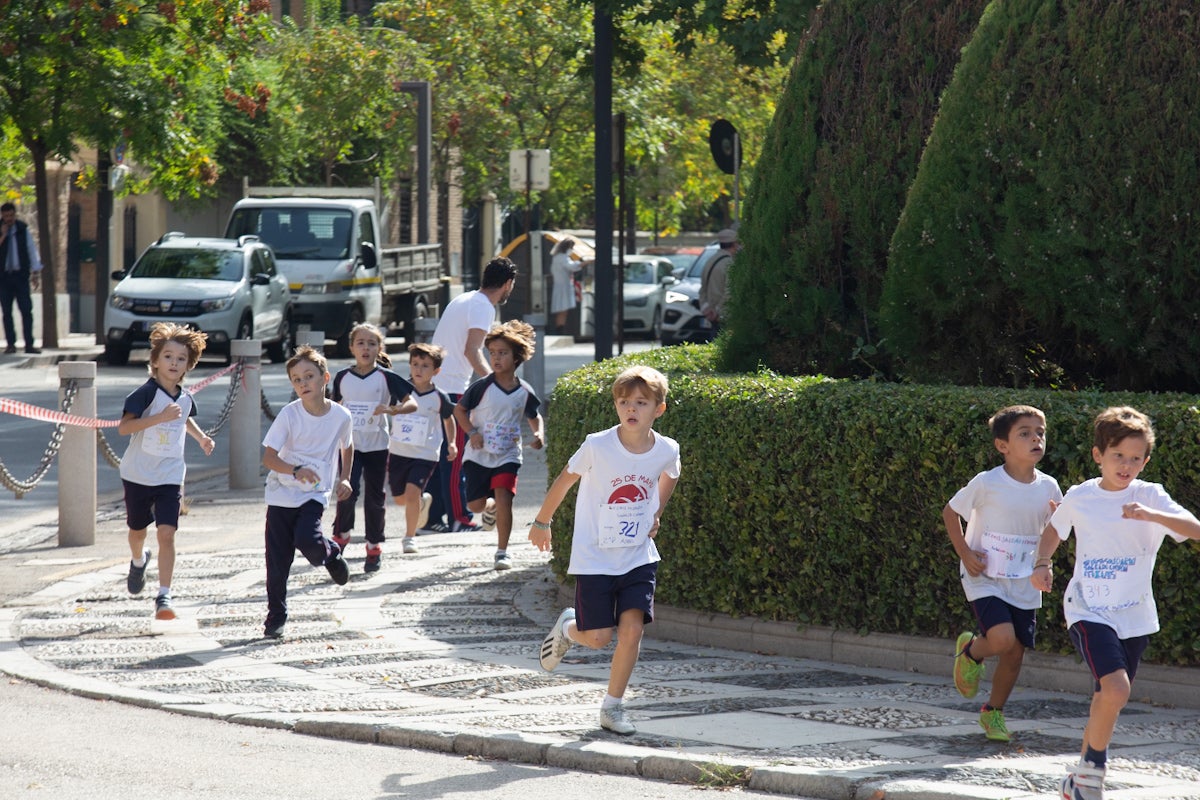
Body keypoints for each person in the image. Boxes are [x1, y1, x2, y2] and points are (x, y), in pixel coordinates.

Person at [1032, 406, 1200, 800]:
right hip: (1088, 608)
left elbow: (1196, 530)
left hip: (1135, 615)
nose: (1126, 465)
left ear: (1146, 460)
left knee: (1105, 697)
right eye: (1117, 456)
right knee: (1117, 690)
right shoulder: (1081, 496)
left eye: (1135, 458)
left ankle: (1078, 780)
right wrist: (1042, 563)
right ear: (1098, 455)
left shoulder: (1150, 495)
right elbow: (1054, 531)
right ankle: (1092, 776)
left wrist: (1152, 514)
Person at [530, 366, 681, 735]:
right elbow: (565, 480)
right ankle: (568, 628)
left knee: (631, 630)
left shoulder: (666, 448)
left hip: (638, 555)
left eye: (641, 403)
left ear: (658, 409)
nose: (631, 409)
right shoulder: (598, 445)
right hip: (596, 556)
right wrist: (541, 521)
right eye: (624, 402)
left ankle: (612, 708)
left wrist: (655, 513)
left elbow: (671, 475)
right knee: (598, 638)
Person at [944, 405, 1062, 743]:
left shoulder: (1050, 487)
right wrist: (965, 554)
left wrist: (1045, 563)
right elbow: (950, 513)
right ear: (1003, 446)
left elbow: (1054, 531)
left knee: (1014, 652)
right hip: (984, 575)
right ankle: (970, 652)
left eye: (1040, 432)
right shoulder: (987, 482)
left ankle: (993, 712)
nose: (1036, 438)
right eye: (1024, 433)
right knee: (1001, 639)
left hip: (1024, 579)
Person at [119, 322, 215, 620]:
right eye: (169, 356)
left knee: (167, 533)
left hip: (170, 475)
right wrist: (158, 417)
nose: (174, 363)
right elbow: (125, 428)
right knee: (137, 532)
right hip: (138, 474)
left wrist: (201, 438)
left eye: (181, 358)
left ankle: (164, 595)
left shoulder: (185, 398)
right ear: (156, 360)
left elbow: (183, 418)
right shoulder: (144, 394)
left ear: (189, 364)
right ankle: (138, 560)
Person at [260, 345, 355, 639]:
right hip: (281, 493)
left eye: (309, 376)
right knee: (278, 561)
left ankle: (330, 554)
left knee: (309, 543)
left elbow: (347, 446)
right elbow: (269, 458)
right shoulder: (289, 415)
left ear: (325, 377)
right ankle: (276, 616)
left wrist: (346, 478)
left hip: (314, 493)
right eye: (297, 379)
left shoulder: (341, 416)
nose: (303, 383)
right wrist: (295, 470)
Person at [426, 256, 518, 533]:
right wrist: (495, 380)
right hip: (453, 388)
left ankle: (432, 519)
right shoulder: (482, 306)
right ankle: (459, 518)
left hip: (437, 385)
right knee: (457, 458)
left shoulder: (464, 299)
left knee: (443, 454)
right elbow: (472, 349)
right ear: (507, 284)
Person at [454, 320, 544, 570]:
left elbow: (534, 416)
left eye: (502, 353)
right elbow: (460, 410)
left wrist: (539, 435)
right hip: (478, 454)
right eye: (492, 353)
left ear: (516, 357)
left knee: (505, 497)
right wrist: (472, 432)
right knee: (476, 505)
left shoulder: (524, 391)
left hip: (508, 454)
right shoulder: (482, 387)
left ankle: (502, 551)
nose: (495, 358)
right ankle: (489, 507)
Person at [330, 322, 417, 573]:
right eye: (360, 343)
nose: (366, 348)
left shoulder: (385, 377)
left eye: (371, 343)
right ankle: (341, 535)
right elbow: (334, 409)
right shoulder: (342, 377)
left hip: (377, 445)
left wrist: (392, 409)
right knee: (348, 490)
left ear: (379, 348)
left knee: (375, 497)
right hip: (349, 446)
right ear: (351, 347)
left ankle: (374, 546)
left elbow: (412, 404)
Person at [388, 342, 457, 555]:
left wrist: (452, 443)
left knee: (411, 494)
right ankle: (421, 504)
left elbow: (449, 420)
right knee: (400, 498)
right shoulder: (401, 391)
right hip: (399, 451)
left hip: (425, 454)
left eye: (425, 366)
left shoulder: (439, 397)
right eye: (415, 364)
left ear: (436, 371)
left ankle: (409, 537)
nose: (418, 369)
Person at [0, 202, 43, 354]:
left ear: (15, 214)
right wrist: (3, 235)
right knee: (6, 312)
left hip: (20, 276)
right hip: (4, 278)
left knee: (26, 310)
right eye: (5, 216)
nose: (8, 219)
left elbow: (31, 250)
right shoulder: (0, 230)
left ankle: (29, 344)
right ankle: (11, 344)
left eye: (11, 215)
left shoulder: (22, 229)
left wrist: (35, 273)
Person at [698, 228, 737, 334]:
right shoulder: (730, 263)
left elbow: (702, 289)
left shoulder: (710, 261)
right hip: (724, 316)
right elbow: (729, 291)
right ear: (734, 244)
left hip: (711, 314)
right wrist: (717, 310)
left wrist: (706, 308)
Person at [549, 237, 581, 334]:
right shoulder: (562, 257)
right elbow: (571, 266)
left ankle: (560, 328)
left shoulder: (558, 257)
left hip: (562, 286)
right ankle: (560, 329)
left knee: (563, 309)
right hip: (562, 287)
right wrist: (583, 263)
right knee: (562, 309)